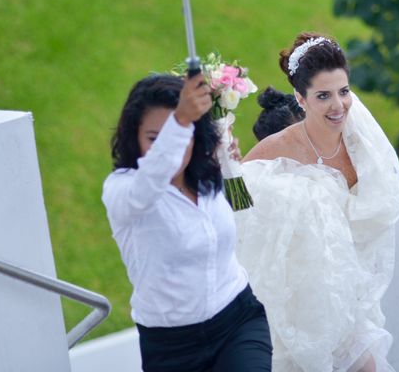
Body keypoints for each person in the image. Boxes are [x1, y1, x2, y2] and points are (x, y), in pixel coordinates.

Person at [237, 33, 399, 372]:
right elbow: (235, 203)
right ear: (301, 99)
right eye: (323, 96)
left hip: (348, 293)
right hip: (299, 299)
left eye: (343, 92)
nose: (338, 105)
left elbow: (385, 199)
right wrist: (226, 166)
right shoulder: (279, 147)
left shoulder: (362, 139)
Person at [102, 73, 273, 372]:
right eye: (156, 138)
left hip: (237, 320)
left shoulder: (208, 174)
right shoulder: (123, 192)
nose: (174, 147)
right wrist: (179, 121)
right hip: (172, 348)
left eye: (184, 133)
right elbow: (153, 176)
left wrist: (227, 158)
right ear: (134, 137)